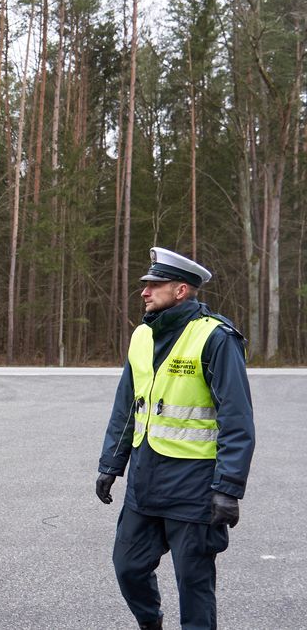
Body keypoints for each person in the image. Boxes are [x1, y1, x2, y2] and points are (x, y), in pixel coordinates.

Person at [96, 247, 255, 630]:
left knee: (194, 585)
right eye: (145, 285)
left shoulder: (215, 337)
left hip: (195, 487)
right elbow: (127, 408)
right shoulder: (141, 336)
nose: (144, 292)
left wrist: (228, 487)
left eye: (154, 284)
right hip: (145, 481)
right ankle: (151, 623)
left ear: (181, 290)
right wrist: (109, 466)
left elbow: (237, 418)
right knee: (128, 567)